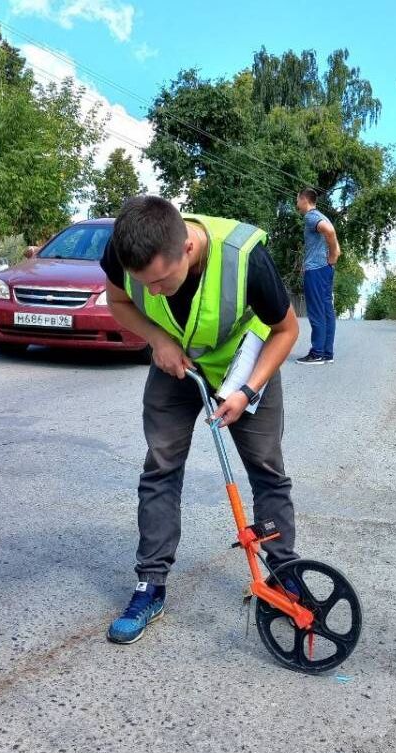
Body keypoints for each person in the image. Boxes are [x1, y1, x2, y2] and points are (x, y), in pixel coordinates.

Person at [98, 195, 301, 645]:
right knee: (161, 466)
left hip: (244, 366)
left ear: (187, 248)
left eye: (160, 281)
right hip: (176, 363)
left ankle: (285, 575)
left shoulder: (246, 259)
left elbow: (287, 330)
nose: (151, 292)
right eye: (143, 282)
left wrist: (248, 390)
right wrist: (157, 340)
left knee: (267, 470)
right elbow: (117, 300)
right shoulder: (123, 248)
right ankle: (149, 584)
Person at [294, 188, 340, 365]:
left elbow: (329, 231)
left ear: (304, 199)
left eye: (297, 199)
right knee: (327, 309)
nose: (296, 203)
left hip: (316, 269)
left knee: (316, 311)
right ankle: (327, 353)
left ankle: (317, 353)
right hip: (325, 268)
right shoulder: (323, 215)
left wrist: (333, 254)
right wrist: (333, 257)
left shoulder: (311, 216)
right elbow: (331, 231)